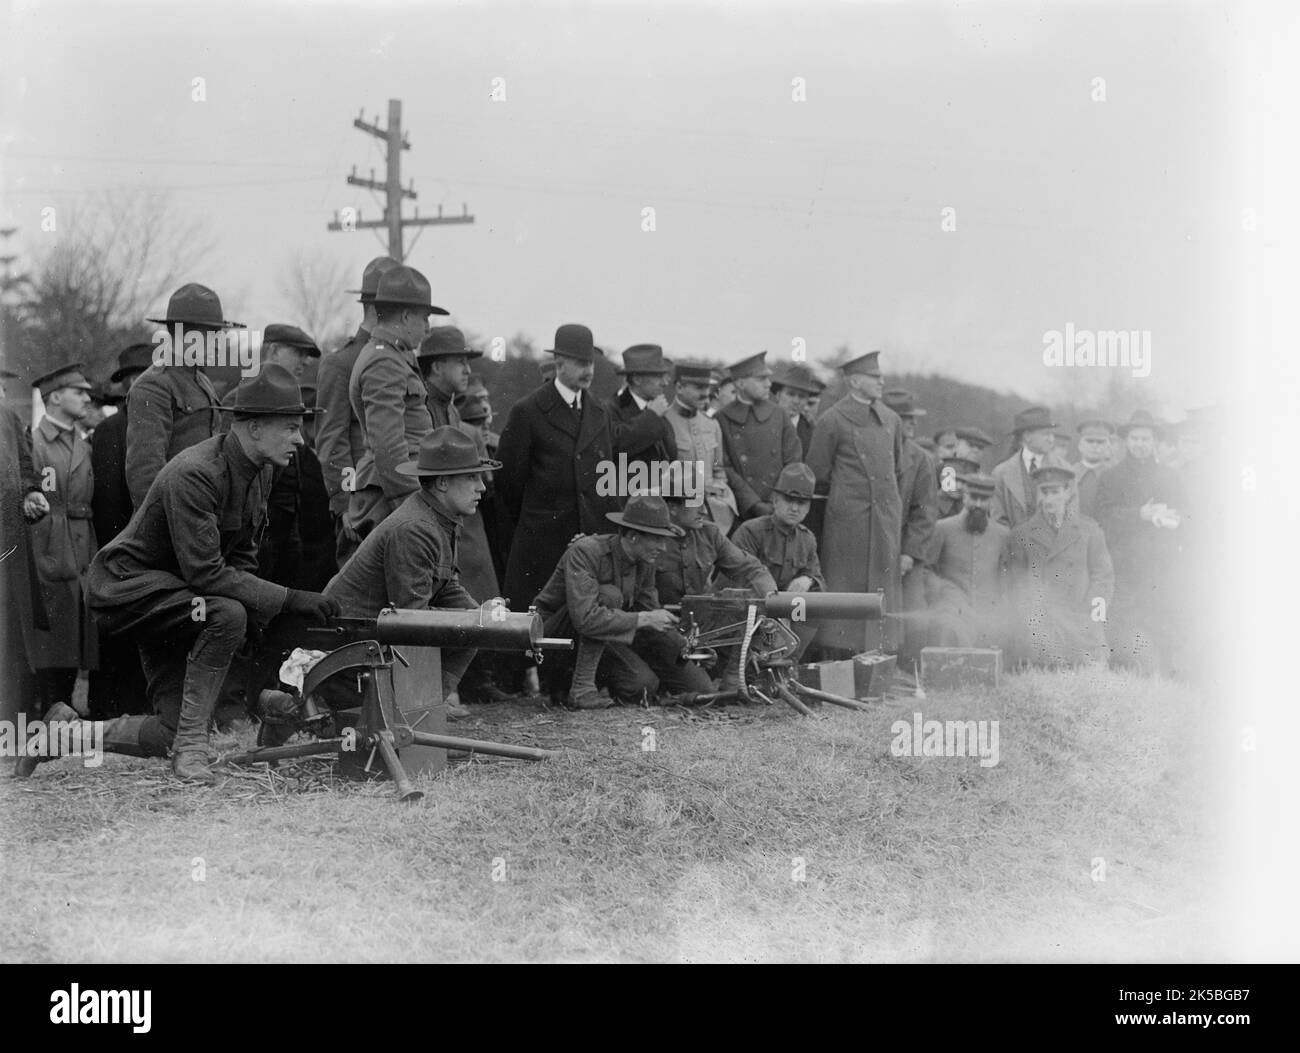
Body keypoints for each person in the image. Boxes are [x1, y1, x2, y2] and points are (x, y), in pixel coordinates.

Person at [77, 365, 341, 784]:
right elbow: (206, 572)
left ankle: (61, 736)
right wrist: (291, 598)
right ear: (254, 428)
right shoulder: (196, 473)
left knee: (168, 730)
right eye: (290, 427)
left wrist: (262, 610)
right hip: (128, 591)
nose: (299, 439)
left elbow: (242, 556)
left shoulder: (262, 471)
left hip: (178, 602)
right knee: (227, 613)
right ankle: (193, 749)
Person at [325, 428, 500, 720]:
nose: (481, 487)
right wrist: (473, 621)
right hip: (350, 646)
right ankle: (419, 715)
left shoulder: (438, 517)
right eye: (472, 477)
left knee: (475, 624)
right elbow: (411, 620)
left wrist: (482, 616)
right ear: (442, 483)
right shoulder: (416, 528)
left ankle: (425, 708)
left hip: (371, 635)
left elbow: (444, 586)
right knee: (460, 626)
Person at [495, 323, 667, 617]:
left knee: (586, 621)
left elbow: (613, 458)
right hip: (543, 540)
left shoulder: (597, 411)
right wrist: (535, 519)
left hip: (589, 537)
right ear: (559, 363)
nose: (588, 370)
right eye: (579, 362)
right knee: (536, 624)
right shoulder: (528, 410)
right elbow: (508, 483)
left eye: (590, 362)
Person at [532, 494, 705, 708]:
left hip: (603, 636)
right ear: (633, 536)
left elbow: (651, 613)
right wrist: (644, 618)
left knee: (692, 687)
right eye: (658, 538)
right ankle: (581, 689)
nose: (663, 547)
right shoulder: (586, 551)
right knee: (610, 596)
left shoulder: (644, 560)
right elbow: (585, 619)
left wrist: (688, 648)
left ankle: (599, 686)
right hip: (554, 641)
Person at [804, 351, 903, 655]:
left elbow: (896, 468)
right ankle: (840, 654)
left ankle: (882, 654)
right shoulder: (831, 420)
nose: (881, 381)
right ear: (855, 381)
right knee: (846, 585)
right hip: (849, 523)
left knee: (883, 586)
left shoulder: (891, 419)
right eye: (875, 377)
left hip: (885, 520)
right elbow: (816, 472)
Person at [345, 265, 443, 542]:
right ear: (405, 315)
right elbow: (388, 447)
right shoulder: (383, 362)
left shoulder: (393, 357)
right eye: (424, 318)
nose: (427, 328)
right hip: (392, 498)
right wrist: (415, 508)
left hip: (397, 493)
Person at [316, 256, 403, 565]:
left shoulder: (399, 359)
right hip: (363, 512)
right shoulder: (342, 363)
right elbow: (331, 443)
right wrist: (345, 505)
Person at [223, 324, 323, 588]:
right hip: (258, 524)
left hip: (288, 521)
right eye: (298, 352)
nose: (305, 361)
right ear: (274, 350)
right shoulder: (241, 397)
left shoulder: (293, 396)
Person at [126, 283, 238, 508]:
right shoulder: (153, 385)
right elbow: (145, 474)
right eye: (213, 335)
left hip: (202, 509)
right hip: (173, 519)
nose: (219, 345)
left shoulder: (202, 381)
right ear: (185, 334)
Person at [29, 364, 99, 715]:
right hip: (49, 548)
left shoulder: (83, 445)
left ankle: (64, 713)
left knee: (76, 634)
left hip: (84, 545)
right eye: (79, 391)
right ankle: (49, 714)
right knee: (53, 636)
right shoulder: (34, 443)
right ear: (55, 397)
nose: (88, 398)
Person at [1095, 409, 1185, 673]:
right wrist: (1140, 514)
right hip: (1123, 560)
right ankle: (1123, 669)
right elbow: (1102, 516)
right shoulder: (1111, 477)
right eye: (1135, 438)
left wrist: (1170, 517)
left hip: (1160, 560)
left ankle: (1162, 671)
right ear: (1126, 441)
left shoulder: (1170, 476)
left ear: (1154, 441)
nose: (1140, 444)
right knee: (1123, 613)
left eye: (1146, 439)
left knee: (1159, 613)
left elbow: (1185, 513)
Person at [1007, 465, 1113, 667]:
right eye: (1044, 492)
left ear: (1067, 493)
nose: (1048, 499)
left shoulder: (1089, 530)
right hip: (1042, 618)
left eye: (1055, 492)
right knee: (1045, 660)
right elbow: (1017, 584)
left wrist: (1093, 612)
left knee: (1091, 663)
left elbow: (1103, 576)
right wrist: (1030, 613)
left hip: (1081, 615)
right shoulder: (1022, 534)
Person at [0, 394, 51, 733]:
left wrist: (32, 492)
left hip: (7, 549)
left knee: (9, 641)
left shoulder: (7, 416)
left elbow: (25, 462)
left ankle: (7, 729)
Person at [881, 389, 938, 671]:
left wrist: (910, 553)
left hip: (906, 552)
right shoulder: (876, 453)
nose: (912, 423)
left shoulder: (922, 459)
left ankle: (912, 669)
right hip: (877, 548)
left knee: (914, 611)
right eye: (905, 418)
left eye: (913, 417)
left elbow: (925, 512)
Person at [925, 473, 1011, 649]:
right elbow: (927, 570)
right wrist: (944, 593)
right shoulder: (942, 528)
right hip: (951, 608)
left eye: (984, 499)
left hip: (988, 610)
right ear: (964, 497)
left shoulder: (1003, 535)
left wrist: (1001, 605)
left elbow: (1006, 575)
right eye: (974, 498)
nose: (978, 505)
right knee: (951, 629)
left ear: (991, 502)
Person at [718, 351, 802, 522]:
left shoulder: (779, 415)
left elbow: (793, 460)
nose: (768, 384)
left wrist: (776, 499)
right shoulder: (722, 418)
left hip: (777, 508)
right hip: (741, 510)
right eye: (760, 379)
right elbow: (724, 466)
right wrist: (753, 503)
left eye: (768, 378)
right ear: (741, 383)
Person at [663, 360, 738, 534]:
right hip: (677, 515)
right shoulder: (664, 422)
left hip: (712, 516)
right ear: (680, 387)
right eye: (698, 388)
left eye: (706, 388)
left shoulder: (712, 425)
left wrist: (720, 496)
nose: (705, 394)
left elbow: (719, 471)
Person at [990, 406, 1072, 529]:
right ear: (1027, 436)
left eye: (1052, 434)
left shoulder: (1065, 470)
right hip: (1014, 545)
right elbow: (998, 521)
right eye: (1046, 434)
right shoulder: (1001, 473)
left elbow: (1072, 516)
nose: (1051, 440)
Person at [606, 344, 677, 471]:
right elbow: (616, 444)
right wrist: (652, 416)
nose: (665, 383)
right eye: (658, 376)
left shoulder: (658, 412)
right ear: (637, 379)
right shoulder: (610, 409)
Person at [418, 325, 480, 428]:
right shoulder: (419, 407)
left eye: (467, 363)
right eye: (460, 362)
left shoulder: (452, 411)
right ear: (437, 367)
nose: (468, 371)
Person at [770, 362, 820, 458]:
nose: (796, 401)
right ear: (778, 395)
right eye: (790, 394)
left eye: (802, 396)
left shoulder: (812, 432)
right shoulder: (762, 423)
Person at [1069, 418, 1115, 520]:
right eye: (1089, 441)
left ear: (1108, 447)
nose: (1094, 445)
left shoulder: (1115, 475)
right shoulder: (1068, 474)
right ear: (1080, 445)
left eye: (1100, 442)